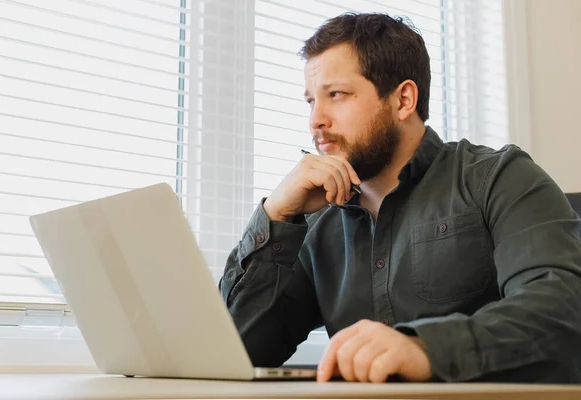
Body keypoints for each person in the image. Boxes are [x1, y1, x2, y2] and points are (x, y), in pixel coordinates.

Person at [219, 12, 581, 383]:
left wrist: (424, 348)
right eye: (311, 101)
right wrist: (276, 215)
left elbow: (561, 307)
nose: (316, 120)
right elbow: (235, 351)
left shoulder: (499, 177)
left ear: (404, 99)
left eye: (336, 95)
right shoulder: (315, 223)